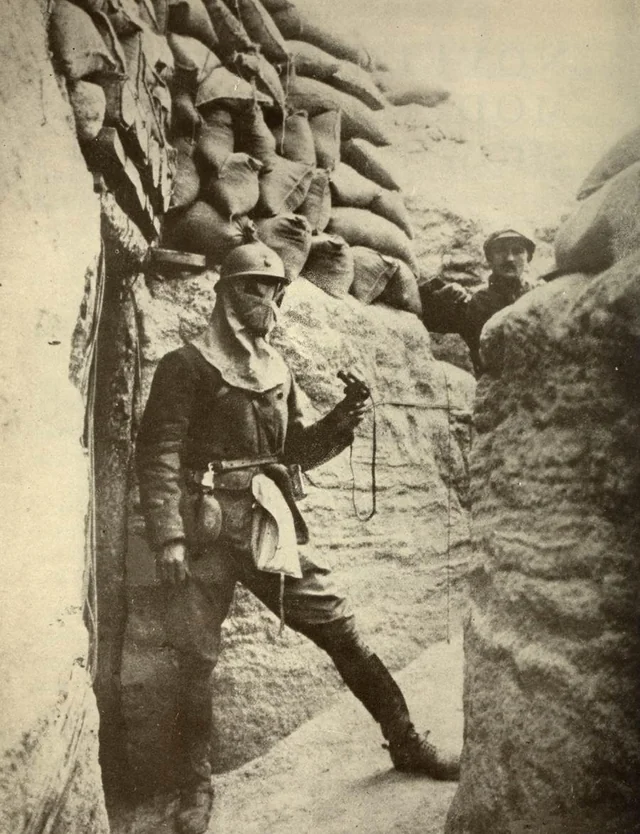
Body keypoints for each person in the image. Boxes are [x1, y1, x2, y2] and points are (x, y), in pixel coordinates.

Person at [136, 241, 460, 834]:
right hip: (204, 527)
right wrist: (170, 539)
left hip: (266, 522)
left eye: (274, 288)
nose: (266, 299)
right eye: (253, 287)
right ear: (226, 294)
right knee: (194, 659)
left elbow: (295, 451)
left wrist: (344, 416)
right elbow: (158, 453)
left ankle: (406, 741)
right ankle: (192, 787)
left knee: (339, 626)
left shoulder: (278, 370)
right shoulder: (185, 365)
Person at [421, 229, 537, 375]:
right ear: (489, 259)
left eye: (518, 251)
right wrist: (441, 296)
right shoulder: (478, 303)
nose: (509, 258)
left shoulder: (540, 295)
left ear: (528, 257)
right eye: (500, 251)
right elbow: (427, 318)